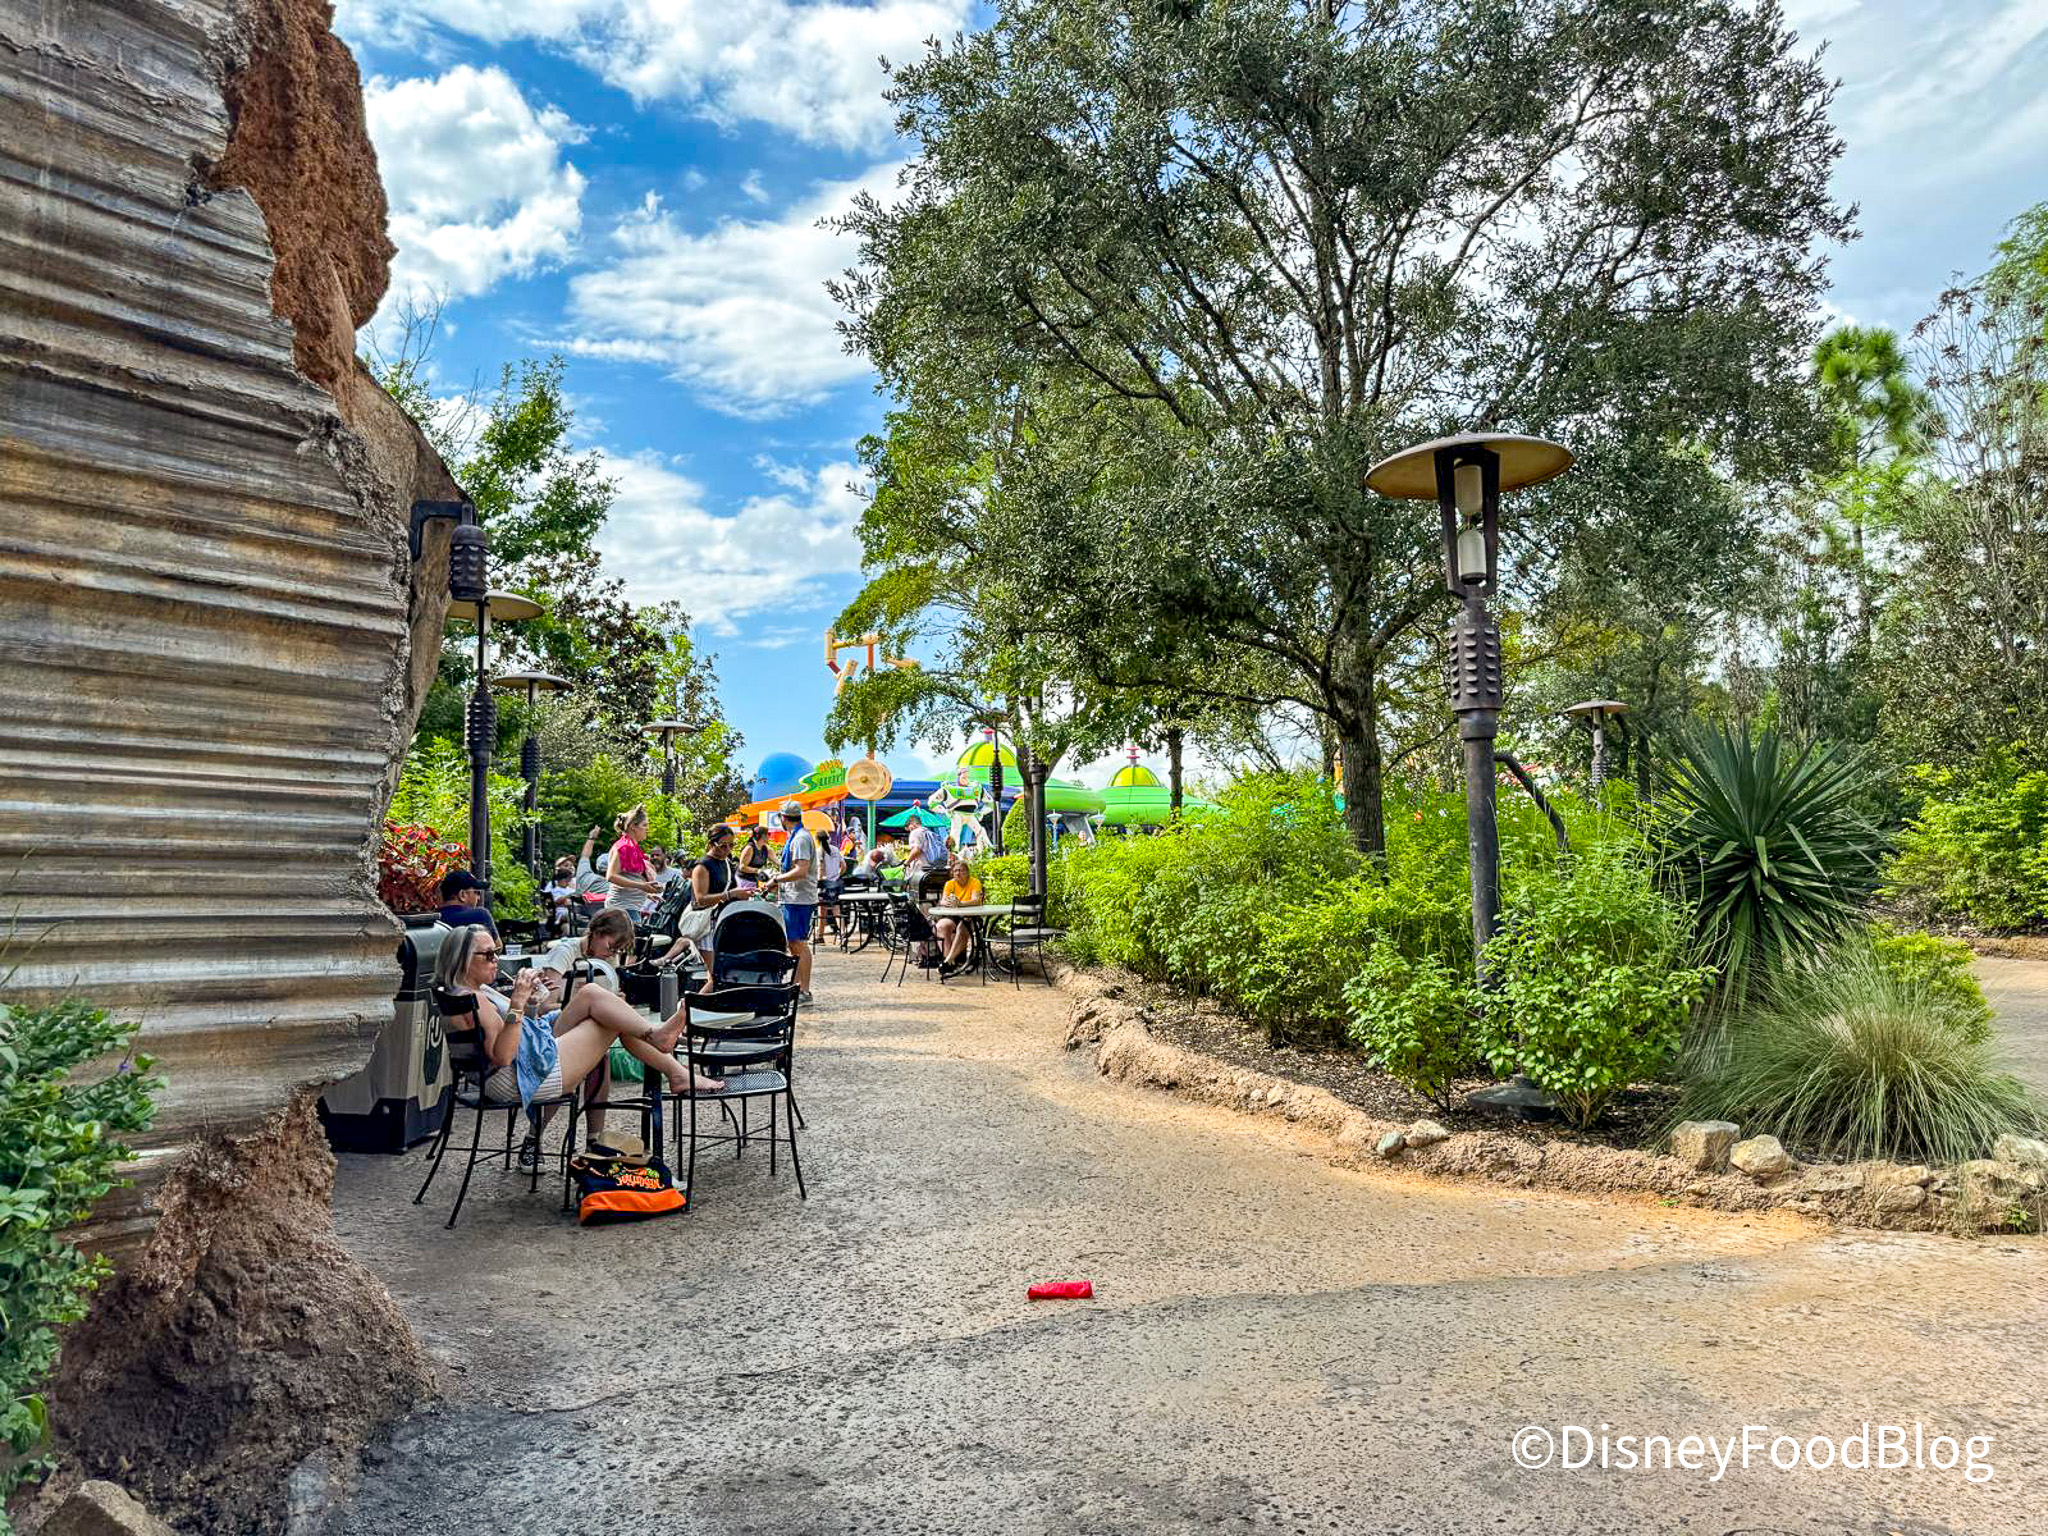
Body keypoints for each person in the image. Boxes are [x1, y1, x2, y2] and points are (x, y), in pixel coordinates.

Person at [431, 923, 722, 1172]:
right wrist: (518, 1002)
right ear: (462, 960)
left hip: (523, 1060)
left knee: (595, 998)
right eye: (488, 955)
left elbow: (514, 1032)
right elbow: (503, 1055)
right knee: (609, 1018)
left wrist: (529, 1004)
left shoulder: (469, 991)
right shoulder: (474, 1000)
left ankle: (664, 1054)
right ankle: (666, 1060)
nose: (496, 959)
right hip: (518, 1076)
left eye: (496, 951)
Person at [648, 823, 746, 983]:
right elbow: (700, 899)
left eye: (731, 845)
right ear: (711, 843)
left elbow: (731, 890)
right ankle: (689, 1000)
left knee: (715, 977)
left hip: (720, 923)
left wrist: (742, 894)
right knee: (715, 977)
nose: (728, 849)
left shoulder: (727, 863)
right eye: (723, 846)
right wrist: (730, 894)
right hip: (706, 925)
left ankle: (693, 998)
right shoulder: (703, 866)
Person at [759, 800, 818, 1004]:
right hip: (792, 897)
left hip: (799, 899)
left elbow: (801, 871)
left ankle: (805, 991)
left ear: (783, 818)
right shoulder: (796, 837)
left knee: (799, 943)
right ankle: (796, 987)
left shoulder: (800, 839)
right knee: (793, 943)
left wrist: (776, 879)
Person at [932, 855, 984, 977]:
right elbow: (943, 901)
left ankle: (947, 961)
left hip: (971, 916)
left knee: (963, 927)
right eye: (955, 871)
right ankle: (951, 963)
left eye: (961, 870)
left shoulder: (974, 882)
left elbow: (976, 901)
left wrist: (960, 904)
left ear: (967, 872)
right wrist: (948, 903)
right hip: (953, 916)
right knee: (941, 927)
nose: (958, 873)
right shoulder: (950, 884)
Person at [604, 805, 659, 912]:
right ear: (633, 826)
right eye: (644, 825)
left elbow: (629, 877)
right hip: (622, 908)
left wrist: (647, 893)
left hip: (630, 907)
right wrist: (642, 886)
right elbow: (611, 876)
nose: (647, 829)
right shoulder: (623, 846)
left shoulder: (632, 847)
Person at [437, 870, 499, 939]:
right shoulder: (480, 915)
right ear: (462, 895)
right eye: (477, 892)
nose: (478, 898)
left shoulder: (432, 920)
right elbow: (497, 945)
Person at [818, 826, 846, 941]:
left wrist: (819, 880)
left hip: (824, 885)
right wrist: (837, 875)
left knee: (822, 912)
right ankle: (843, 933)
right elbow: (844, 866)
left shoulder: (818, 851)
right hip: (835, 884)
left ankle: (820, 936)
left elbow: (820, 869)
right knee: (837, 910)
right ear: (828, 838)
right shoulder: (835, 849)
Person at [737, 823, 774, 889]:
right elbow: (742, 867)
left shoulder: (765, 848)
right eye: (768, 834)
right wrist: (758, 870)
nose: (769, 836)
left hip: (755, 881)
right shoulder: (750, 848)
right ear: (762, 836)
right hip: (744, 881)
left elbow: (776, 861)